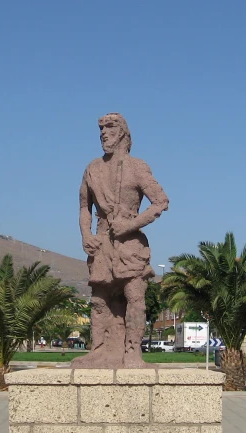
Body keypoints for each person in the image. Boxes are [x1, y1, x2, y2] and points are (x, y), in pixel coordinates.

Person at [71, 113, 169, 369]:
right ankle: (99, 350)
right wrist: (86, 235)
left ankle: (132, 352)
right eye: (101, 128)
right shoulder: (92, 169)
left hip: (129, 244)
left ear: (123, 132)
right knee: (99, 299)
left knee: (134, 295)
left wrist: (129, 225)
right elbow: (84, 207)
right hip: (102, 242)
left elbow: (160, 201)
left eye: (110, 127)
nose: (104, 133)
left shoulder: (137, 166)